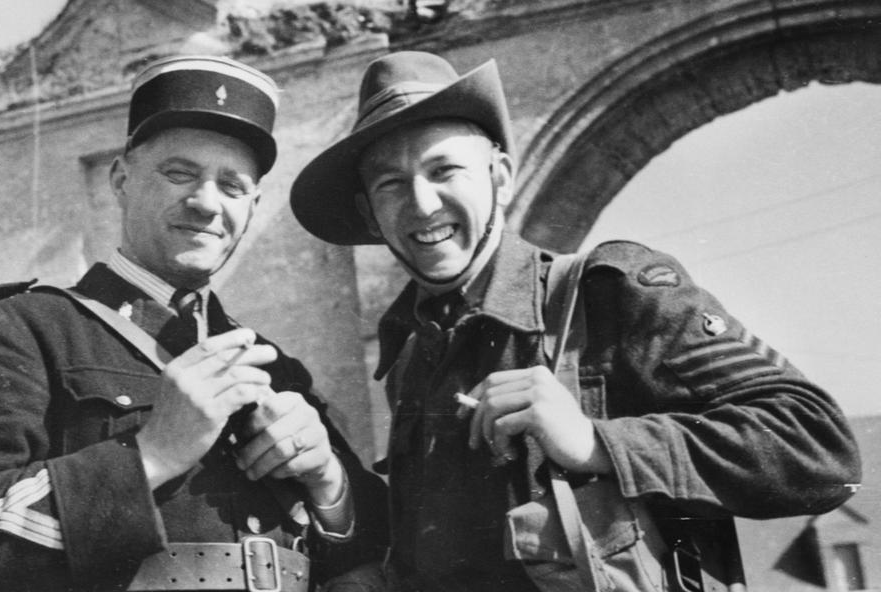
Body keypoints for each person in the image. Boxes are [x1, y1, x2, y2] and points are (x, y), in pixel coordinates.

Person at [289, 50, 861, 591]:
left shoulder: (607, 294)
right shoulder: (412, 352)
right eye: (391, 183)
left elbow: (817, 447)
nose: (422, 202)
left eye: (445, 170)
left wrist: (597, 443)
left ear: (501, 177)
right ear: (369, 212)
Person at [0, 55, 388, 592]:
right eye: (179, 173)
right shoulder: (20, 329)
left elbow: (381, 552)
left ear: (253, 205)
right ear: (121, 178)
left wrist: (329, 482)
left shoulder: (276, 368)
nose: (206, 203)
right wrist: (152, 454)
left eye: (232, 186)